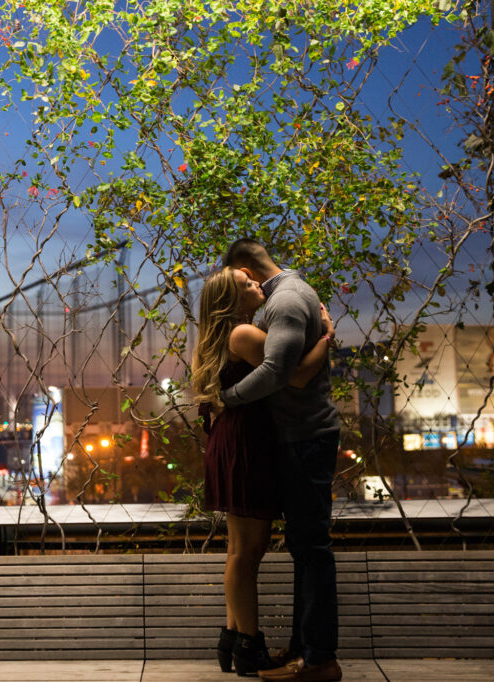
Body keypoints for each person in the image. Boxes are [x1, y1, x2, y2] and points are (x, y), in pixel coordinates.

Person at [191, 266, 336, 677]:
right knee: (246, 552)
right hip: (247, 443)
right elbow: (297, 376)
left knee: (241, 550)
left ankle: (235, 638)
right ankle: (248, 647)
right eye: (246, 285)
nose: (258, 284)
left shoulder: (216, 337)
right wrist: (326, 334)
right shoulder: (245, 335)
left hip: (233, 440)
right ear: (231, 301)